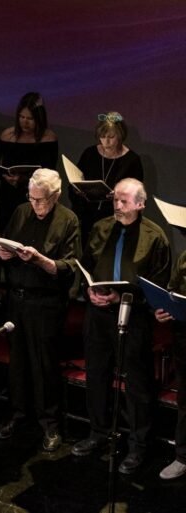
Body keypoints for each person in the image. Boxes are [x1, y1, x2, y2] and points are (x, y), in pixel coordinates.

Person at [71, 178, 170, 474]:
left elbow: (159, 286)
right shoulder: (102, 228)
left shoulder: (155, 237)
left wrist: (124, 296)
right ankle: (99, 433)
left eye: (124, 201)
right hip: (99, 314)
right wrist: (88, 291)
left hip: (133, 315)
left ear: (141, 204)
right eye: (115, 200)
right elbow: (86, 265)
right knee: (97, 374)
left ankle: (139, 446)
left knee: (137, 383)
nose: (117, 205)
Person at [0, 169, 80, 452]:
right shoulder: (21, 212)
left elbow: (70, 267)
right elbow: (6, 244)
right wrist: (4, 253)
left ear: (55, 197)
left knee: (44, 365)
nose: (36, 205)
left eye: (41, 200)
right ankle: (18, 414)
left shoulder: (68, 220)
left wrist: (40, 260)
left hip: (46, 304)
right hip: (17, 300)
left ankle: (50, 424)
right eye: (32, 199)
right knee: (17, 362)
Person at [0, 92, 59, 232]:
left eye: (30, 118)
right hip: (7, 198)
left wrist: (22, 179)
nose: (24, 122)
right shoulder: (7, 135)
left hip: (33, 199)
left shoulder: (48, 138)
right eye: (21, 117)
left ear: (39, 119)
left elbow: (50, 173)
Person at [70, 111, 144, 243]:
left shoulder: (131, 161)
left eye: (111, 137)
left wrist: (118, 196)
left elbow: (137, 195)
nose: (106, 142)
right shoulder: (90, 153)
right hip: (87, 217)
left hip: (115, 220)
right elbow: (76, 180)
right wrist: (77, 189)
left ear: (120, 136)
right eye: (102, 137)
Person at [154, 249, 186, 479]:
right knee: (185, 399)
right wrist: (163, 308)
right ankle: (183, 457)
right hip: (183, 336)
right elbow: (173, 289)